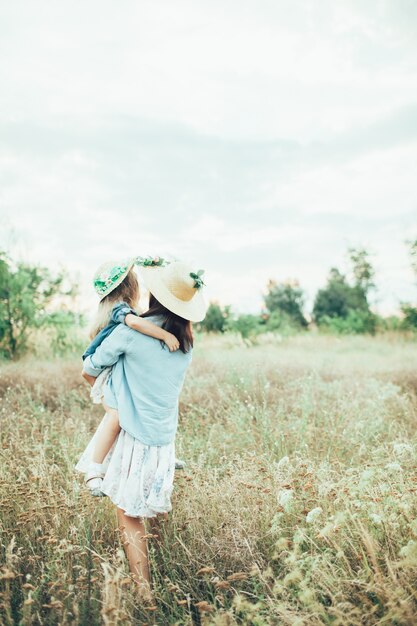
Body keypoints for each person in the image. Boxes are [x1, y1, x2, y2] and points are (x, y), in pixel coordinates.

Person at [75, 260, 207, 599]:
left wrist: (108, 398)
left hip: (134, 436)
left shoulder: (131, 332)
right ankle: (162, 572)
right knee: (152, 508)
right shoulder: (186, 341)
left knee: (129, 514)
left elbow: (89, 366)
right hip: (163, 440)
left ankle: (145, 594)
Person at [80, 256, 183, 495]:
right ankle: (94, 470)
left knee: (126, 415)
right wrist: (165, 336)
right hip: (100, 370)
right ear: (130, 288)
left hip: (106, 370)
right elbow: (136, 325)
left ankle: (161, 456)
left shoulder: (121, 311)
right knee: (116, 416)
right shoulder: (123, 311)